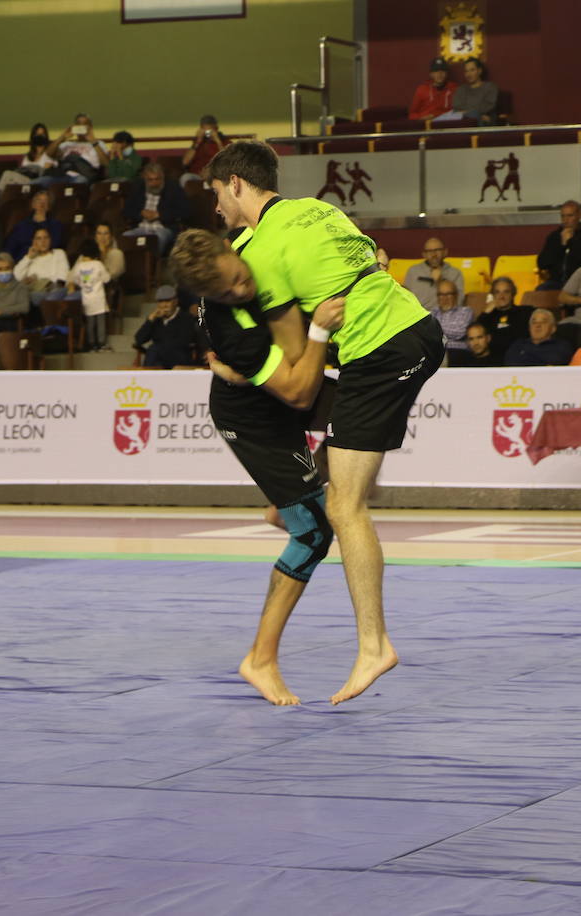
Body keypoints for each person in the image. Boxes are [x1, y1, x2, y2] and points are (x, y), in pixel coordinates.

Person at [181, 140, 443, 705]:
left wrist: (320, 327)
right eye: (230, 285)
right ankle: (290, 507)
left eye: (216, 195)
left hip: (375, 353)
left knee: (342, 510)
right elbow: (372, 260)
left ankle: (371, 646)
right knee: (321, 510)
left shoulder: (257, 253)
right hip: (408, 334)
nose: (216, 211)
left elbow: (301, 381)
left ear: (235, 184)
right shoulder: (320, 208)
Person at [172, 226, 347, 706]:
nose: (238, 291)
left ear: (232, 247)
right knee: (314, 533)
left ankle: (282, 504)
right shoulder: (230, 331)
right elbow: (297, 391)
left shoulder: (253, 240)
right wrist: (319, 329)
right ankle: (260, 659)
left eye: (235, 278)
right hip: (253, 418)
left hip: (276, 392)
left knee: (367, 417)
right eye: (222, 293)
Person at [123, 161, 189, 255]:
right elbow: (126, 210)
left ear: (162, 178)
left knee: (157, 239)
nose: (154, 183)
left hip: (163, 228)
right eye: (150, 180)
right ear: (145, 179)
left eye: (157, 179)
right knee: (125, 237)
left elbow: (185, 212)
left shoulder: (173, 188)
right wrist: (141, 213)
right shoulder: (138, 188)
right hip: (142, 227)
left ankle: (153, 266)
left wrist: (159, 215)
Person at [537, 200, 581, 290]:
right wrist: (562, 245)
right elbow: (542, 263)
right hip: (557, 282)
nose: (566, 220)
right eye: (563, 216)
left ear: (579, 216)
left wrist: (571, 242)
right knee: (541, 290)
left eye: (570, 216)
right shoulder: (554, 236)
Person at [134, 285, 199, 368]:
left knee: (153, 350)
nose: (164, 305)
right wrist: (150, 320)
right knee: (154, 353)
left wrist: (159, 347)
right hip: (159, 359)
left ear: (176, 301)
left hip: (180, 358)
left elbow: (184, 342)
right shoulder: (155, 319)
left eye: (168, 301)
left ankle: (149, 375)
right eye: (161, 301)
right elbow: (139, 339)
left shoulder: (186, 318)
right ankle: (150, 375)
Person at [70, 239, 112, 351]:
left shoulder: (79, 266)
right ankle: (102, 343)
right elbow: (107, 279)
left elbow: (75, 280)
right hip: (98, 298)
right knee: (100, 322)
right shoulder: (98, 264)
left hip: (86, 299)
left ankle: (92, 344)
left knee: (90, 322)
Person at [402, 237, 464, 312]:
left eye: (437, 250)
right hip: (420, 315)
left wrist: (441, 282)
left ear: (445, 252)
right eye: (429, 251)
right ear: (424, 254)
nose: (434, 254)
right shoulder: (413, 271)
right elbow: (406, 300)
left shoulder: (455, 273)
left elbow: (459, 302)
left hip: (445, 315)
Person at [14, 227, 70, 306]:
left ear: (50, 239)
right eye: (39, 238)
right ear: (34, 241)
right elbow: (16, 276)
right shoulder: (30, 258)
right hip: (34, 293)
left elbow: (62, 277)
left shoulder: (59, 253)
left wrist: (38, 280)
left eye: (46, 237)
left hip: (54, 290)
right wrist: (28, 257)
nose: (43, 241)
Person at [4, 188, 64, 259]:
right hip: (22, 260)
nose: (42, 204)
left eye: (45, 201)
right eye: (39, 200)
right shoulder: (21, 225)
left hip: (44, 259)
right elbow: (10, 247)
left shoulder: (55, 225)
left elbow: (53, 245)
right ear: (33, 204)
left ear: (49, 206)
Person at [477, 276, 527, 357]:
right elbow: (476, 334)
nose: (502, 296)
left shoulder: (524, 312)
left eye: (506, 292)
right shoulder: (487, 316)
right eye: (497, 292)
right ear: (493, 295)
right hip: (491, 360)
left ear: (513, 294)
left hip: (517, 358)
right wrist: (485, 313)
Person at [436, 58, 497, 124]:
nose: (468, 74)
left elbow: (487, 107)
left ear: (479, 71)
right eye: (466, 71)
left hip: (482, 123)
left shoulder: (490, 87)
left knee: (477, 116)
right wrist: (476, 114)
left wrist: (469, 112)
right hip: (463, 121)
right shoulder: (461, 89)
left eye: (472, 70)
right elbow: (456, 109)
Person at [505, 308, 574, 366]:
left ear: (553, 328)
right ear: (529, 328)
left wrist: (525, 356)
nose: (537, 326)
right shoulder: (518, 344)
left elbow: (556, 362)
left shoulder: (562, 346)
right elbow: (510, 363)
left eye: (543, 322)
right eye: (534, 322)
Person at [51, 114, 108, 183]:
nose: (81, 126)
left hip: (85, 176)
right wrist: (62, 137)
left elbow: (106, 164)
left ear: (90, 127)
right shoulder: (66, 144)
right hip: (63, 175)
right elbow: (48, 155)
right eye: (78, 124)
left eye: (84, 124)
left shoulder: (99, 144)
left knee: (79, 180)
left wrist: (92, 141)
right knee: (41, 181)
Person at [432, 279, 473, 362]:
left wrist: (435, 330)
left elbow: (459, 332)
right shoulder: (432, 312)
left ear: (456, 295)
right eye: (441, 295)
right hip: (436, 353)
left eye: (448, 294)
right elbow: (425, 333)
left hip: (457, 352)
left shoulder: (465, 311)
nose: (445, 298)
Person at [182, 115, 230, 183]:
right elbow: (185, 162)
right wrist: (197, 142)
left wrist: (218, 141)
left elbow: (227, 160)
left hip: (216, 175)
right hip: (197, 175)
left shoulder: (224, 142)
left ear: (216, 129)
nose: (207, 134)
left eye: (210, 131)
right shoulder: (197, 143)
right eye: (205, 130)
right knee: (185, 177)